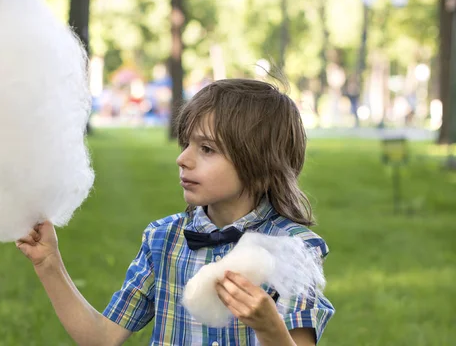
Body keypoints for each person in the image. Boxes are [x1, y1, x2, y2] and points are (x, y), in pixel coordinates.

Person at [17, 78, 335, 345]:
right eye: (186, 144)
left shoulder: (294, 248)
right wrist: (48, 262)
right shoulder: (164, 239)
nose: (183, 158)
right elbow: (102, 336)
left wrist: (269, 328)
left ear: (259, 164)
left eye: (206, 149)